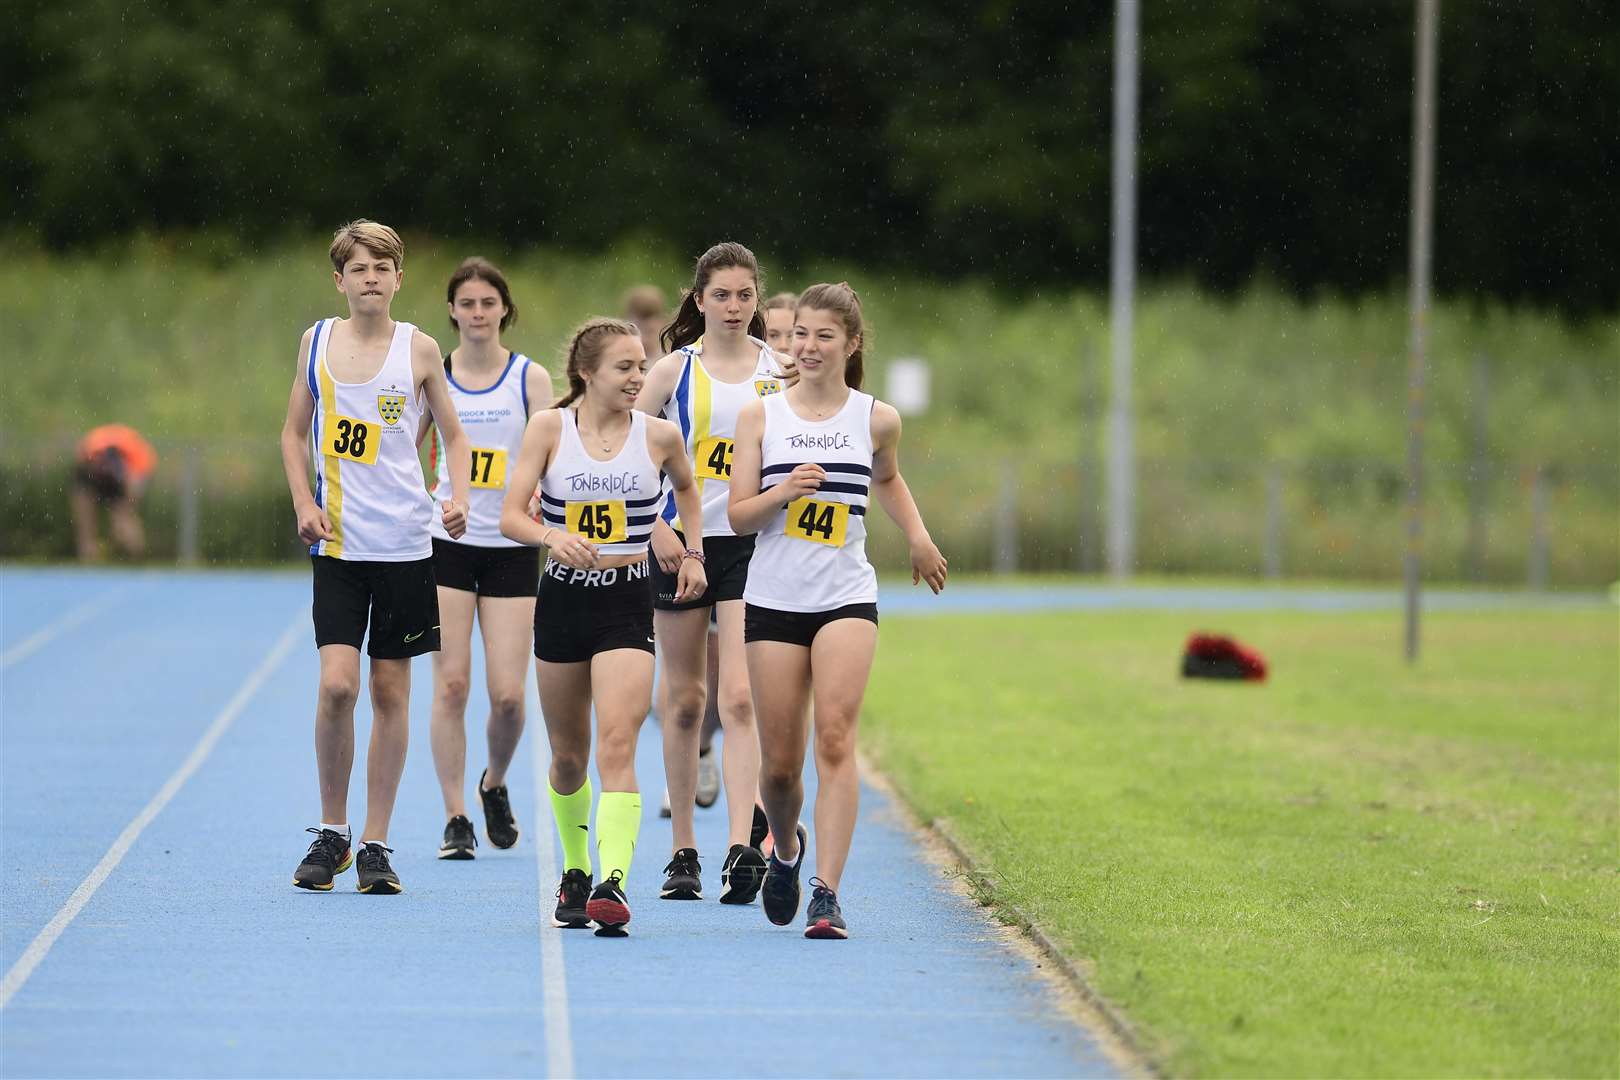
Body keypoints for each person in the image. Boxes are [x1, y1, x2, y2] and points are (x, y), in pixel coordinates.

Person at [729, 282, 948, 938]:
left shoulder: (875, 418)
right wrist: (784, 493)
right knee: (779, 765)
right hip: (773, 599)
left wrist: (917, 535)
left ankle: (827, 892)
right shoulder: (762, 418)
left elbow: (885, 476)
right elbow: (739, 516)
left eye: (825, 335)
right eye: (800, 334)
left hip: (845, 597)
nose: (809, 346)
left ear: (851, 345)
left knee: (835, 737)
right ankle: (787, 852)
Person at [279, 220, 472, 895]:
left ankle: (376, 842)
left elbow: (454, 435)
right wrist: (303, 500)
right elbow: (292, 432)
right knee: (338, 684)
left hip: (404, 548)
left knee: (390, 692)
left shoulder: (419, 349)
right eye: (358, 267)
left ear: (398, 278)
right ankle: (331, 830)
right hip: (337, 544)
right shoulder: (317, 342)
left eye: (382, 267)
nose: (370, 277)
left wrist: (455, 497)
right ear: (340, 280)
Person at [499, 317, 705, 935]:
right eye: (625, 367)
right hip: (563, 601)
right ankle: (575, 868)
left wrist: (692, 553)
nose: (638, 377)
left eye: (642, 366)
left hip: (626, 600)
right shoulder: (549, 429)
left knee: (619, 744)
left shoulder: (660, 437)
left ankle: (613, 881)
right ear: (587, 373)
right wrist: (549, 537)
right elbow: (511, 515)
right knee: (568, 756)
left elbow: (690, 494)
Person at [635, 242, 789, 904]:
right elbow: (622, 447)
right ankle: (682, 853)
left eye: (745, 295)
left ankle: (738, 847)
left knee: (741, 699)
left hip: (752, 546)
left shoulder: (779, 370)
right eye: (720, 295)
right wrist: (657, 530)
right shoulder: (674, 371)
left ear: (758, 301)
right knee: (686, 700)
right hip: (679, 543)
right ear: (699, 301)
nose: (733, 306)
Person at [421, 257, 552, 859]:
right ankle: (455, 817)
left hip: (510, 547)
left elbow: (551, 454)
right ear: (452, 311)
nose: (477, 313)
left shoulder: (529, 379)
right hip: (447, 542)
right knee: (450, 685)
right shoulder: (432, 375)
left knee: (508, 696)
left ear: (504, 310)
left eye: (487, 303)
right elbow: (407, 448)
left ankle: (493, 780)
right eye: (466, 303)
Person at [71, 424, 157, 561]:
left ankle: (133, 554)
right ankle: (90, 554)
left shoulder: (137, 459)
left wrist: (126, 510)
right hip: (98, 471)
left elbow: (136, 486)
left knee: (123, 519)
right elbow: (80, 481)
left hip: (123, 473)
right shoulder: (91, 451)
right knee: (87, 524)